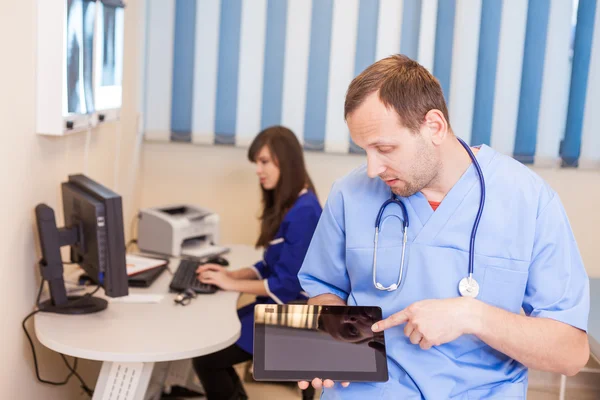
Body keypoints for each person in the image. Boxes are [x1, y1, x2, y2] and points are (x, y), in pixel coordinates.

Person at [297, 55, 590, 399]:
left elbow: (571, 353)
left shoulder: (528, 200)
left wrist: (473, 316)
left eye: (385, 148)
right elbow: (324, 288)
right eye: (365, 150)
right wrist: (331, 340)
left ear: (434, 126)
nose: (373, 168)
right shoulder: (350, 194)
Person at [192, 126, 322, 400]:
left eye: (264, 162)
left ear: (285, 161)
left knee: (207, 357)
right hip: (278, 306)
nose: (258, 170)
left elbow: (286, 285)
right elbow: (269, 264)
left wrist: (232, 284)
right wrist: (232, 275)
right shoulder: (290, 203)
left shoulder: (305, 211)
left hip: (293, 314)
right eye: (257, 163)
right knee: (208, 344)